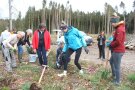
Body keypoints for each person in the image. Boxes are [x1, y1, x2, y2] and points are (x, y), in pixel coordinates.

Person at [109, 12, 126, 85]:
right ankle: (114, 75)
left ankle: (117, 81)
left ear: (115, 22)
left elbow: (118, 41)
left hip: (118, 51)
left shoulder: (119, 29)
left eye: (112, 23)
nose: (112, 25)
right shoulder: (119, 28)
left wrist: (111, 45)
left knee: (117, 66)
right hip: (117, 50)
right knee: (111, 61)